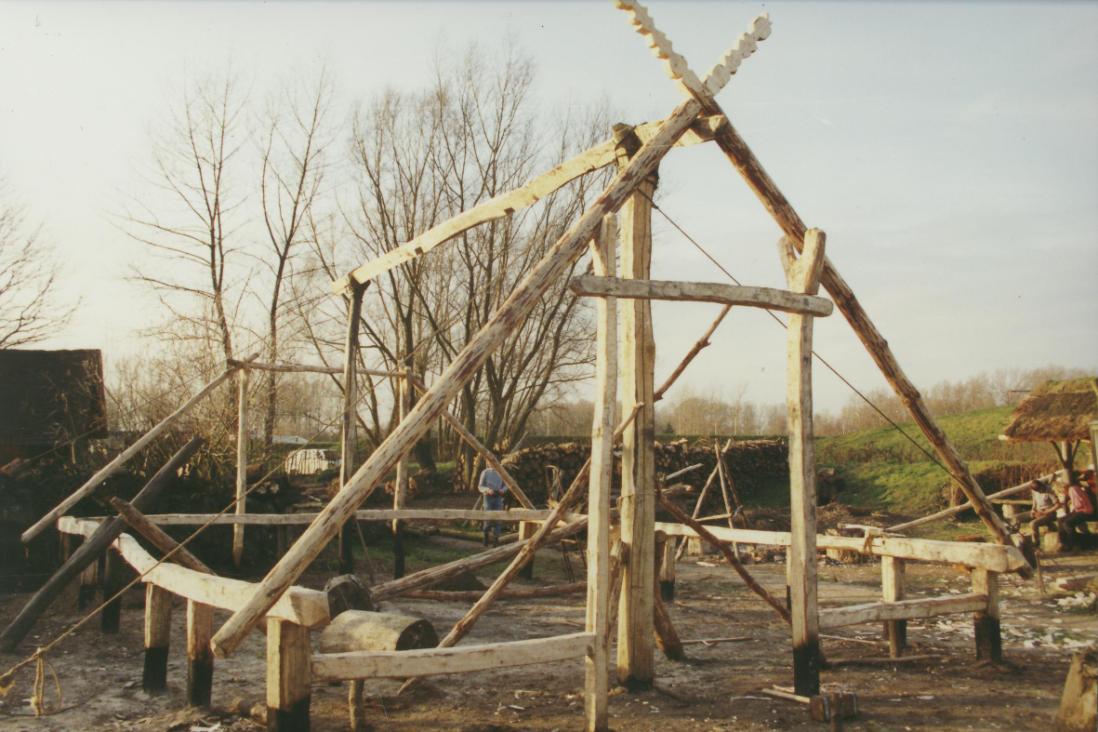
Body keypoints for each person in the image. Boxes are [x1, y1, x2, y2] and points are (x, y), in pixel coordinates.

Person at [1059, 480, 1097, 550]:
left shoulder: (1072, 489)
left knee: (1068, 523)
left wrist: (1069, 502)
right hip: (1081, 511)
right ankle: (1064, 543)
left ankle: (1073, 544)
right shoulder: (1073, 489)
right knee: (1061, 520)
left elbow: (1079, 504)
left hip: (1086, 511)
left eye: (1062, 491)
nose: (1063, 493)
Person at [478, 466, 508, 546]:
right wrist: (487, 490)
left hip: (498, 497)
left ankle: (496, 539)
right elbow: (480, 486)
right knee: (488, 517)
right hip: (488, 497)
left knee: (498, 518)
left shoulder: (502, 472)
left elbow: (506, 485)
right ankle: (486, 536)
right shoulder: (485, 472)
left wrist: (502, 490)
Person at [1028, 479, 1061, 545]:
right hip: (1038, 511)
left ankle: (1036, 544)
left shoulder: (1049, 490)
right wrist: (1033, 509)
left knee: (1033, 524)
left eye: (1040, 490)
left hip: (1050, 513)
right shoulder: (1034, 491)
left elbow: (1058, 505)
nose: (1040, 492)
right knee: (1016, 518)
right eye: (1038, 491)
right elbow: (1034, 501)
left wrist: (1046, 512)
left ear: (1042, 486)